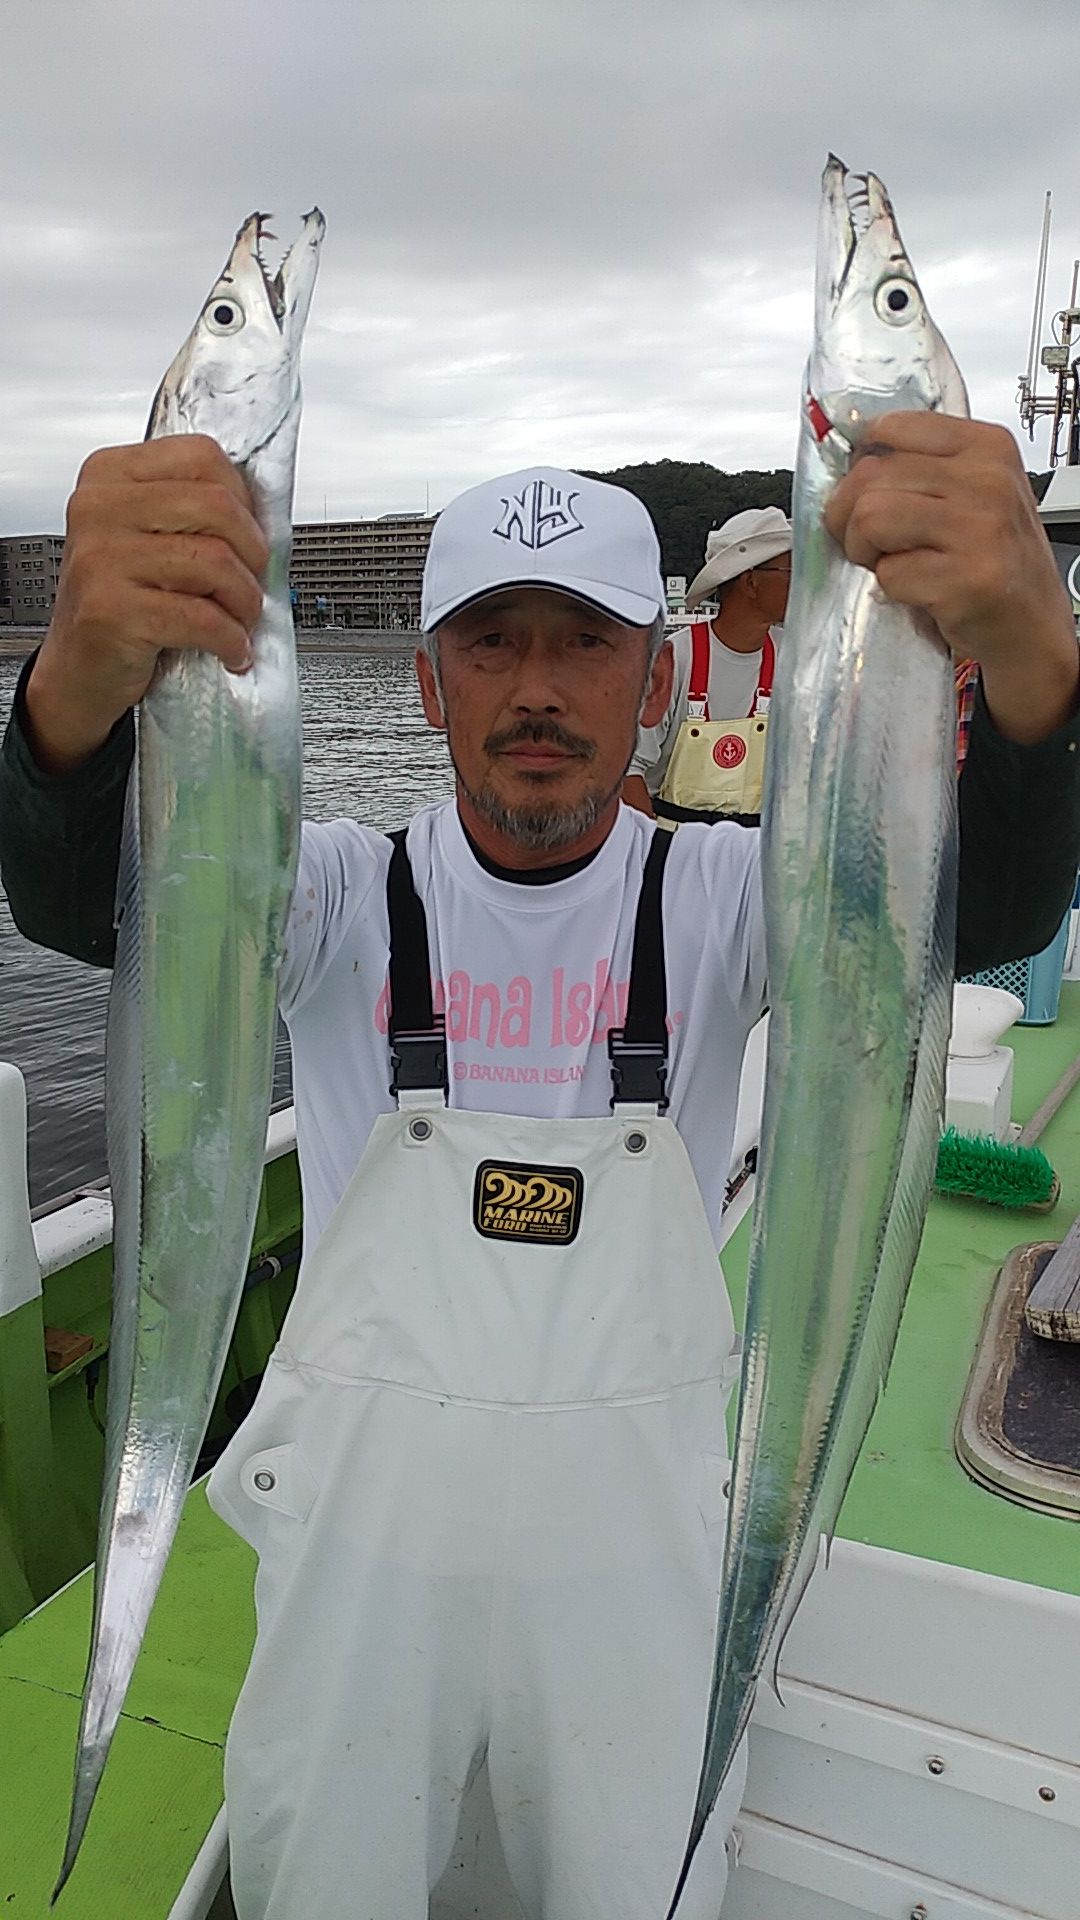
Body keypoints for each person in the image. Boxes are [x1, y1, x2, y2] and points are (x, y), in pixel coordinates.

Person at [2, 422, 1079, 1920]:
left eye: (584, 643)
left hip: (634, 1561)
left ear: (655, 681)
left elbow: (983, 909)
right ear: (428, 683)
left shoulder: (735, 898)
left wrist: (1035, 663)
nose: (535, 689)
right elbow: (87, 896)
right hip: (356, 1556)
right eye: (490, 641)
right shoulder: (327, 895)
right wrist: (70, 686)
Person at [623, 507, 792, 827]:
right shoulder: (675, 658)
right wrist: (656, 848)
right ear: (750, 581)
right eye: (790, 571)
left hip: (762, 847)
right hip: (675, 843)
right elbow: (629, 770)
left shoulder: (793, 657)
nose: (800, 583)